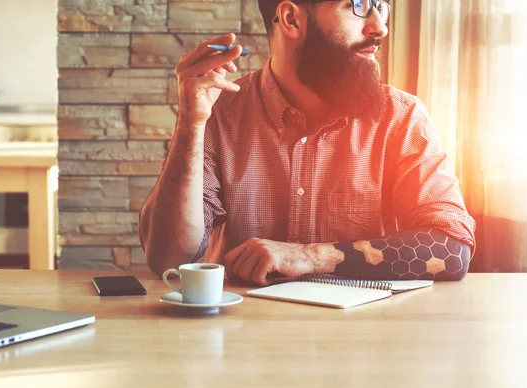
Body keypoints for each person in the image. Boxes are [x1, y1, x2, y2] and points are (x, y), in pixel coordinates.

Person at [138, 0, 476, 286]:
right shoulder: (219, 114)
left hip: (365, 343)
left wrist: (311, 256)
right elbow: (169, 259)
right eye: (357, 5)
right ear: (291, 19)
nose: (379, 27)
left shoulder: (400, 117)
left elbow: (452, 249)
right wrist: (191, 123)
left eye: (381, 5)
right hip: (242, 341)